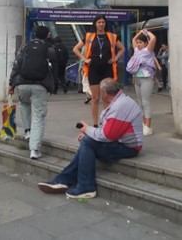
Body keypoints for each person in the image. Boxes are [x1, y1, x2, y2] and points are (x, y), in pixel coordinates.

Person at [38, 78, 143, 199]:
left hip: (128, 148)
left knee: (87, 142)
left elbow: (107, 135)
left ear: (104, 92)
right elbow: (108, 131)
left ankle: (84, 186)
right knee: (87, 142)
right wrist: (90, 133)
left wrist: (87, 130)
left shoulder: (120, 106)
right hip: (120, 143)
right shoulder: (119, 102)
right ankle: (64, 180)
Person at [8, 25, 58, 160]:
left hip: (22, 83)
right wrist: (54, 85)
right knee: (38, 116)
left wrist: (11, 83)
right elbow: (54, 67)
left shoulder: (25, 46)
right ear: (47, 35)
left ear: (34, 34)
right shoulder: (49, 48)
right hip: (39, 85)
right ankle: (34, 149)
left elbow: (17, 64)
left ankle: (28, 131)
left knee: (23, 104)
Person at [73, 15, 125, 127]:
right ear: (95, 24)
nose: (101, 24)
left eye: (103, 22)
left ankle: (106, 121)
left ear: (105, 24)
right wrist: (84, 58)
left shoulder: (112, 36)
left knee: (107, 97)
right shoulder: (89, 36)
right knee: (95, 98)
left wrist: (116, 58)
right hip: (93, 69)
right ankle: (95, 123)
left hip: (108, 69)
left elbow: (122, 48)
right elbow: (75, 49)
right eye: (99, 22)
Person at [130, 29, 157, 135]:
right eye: (138, 42)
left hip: (147, 79)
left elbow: (153, 38)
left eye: (140, 42)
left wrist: (146, 33)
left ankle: (148, 126)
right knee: (140, 103)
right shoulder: (136, 51)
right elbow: (133, 39)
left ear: (146, 43)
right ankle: (143, 123)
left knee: (146, 102)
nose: (138, 44)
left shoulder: (148, 51)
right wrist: (139, 33)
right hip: (137, 78)